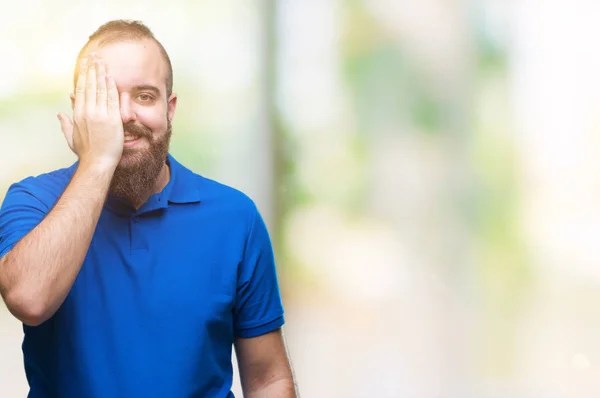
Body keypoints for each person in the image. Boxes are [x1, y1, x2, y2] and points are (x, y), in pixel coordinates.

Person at [0, 20, 297, 398]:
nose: (125, 115)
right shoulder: (33, 201)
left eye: (144, 96)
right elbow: (30, 299)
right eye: (106, 98)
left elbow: (269, 378)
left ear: (169, 108)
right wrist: (97, 161)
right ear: (79, 110)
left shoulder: (235, 217)